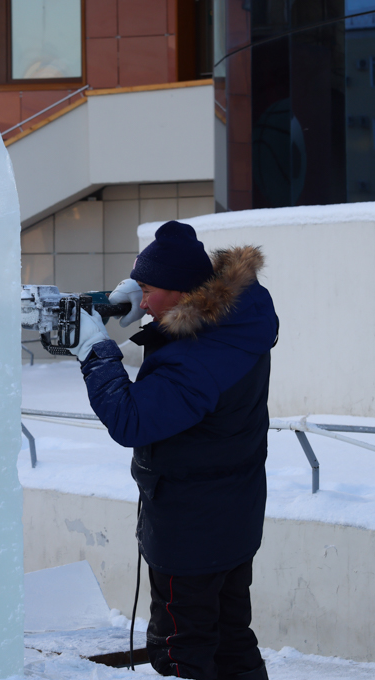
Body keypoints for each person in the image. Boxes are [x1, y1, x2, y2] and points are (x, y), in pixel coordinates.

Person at [70, 220, 278, 680]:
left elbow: (131, 419)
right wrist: (147, 300)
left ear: (185, 292)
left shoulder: (196, 360)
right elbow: (192, 336)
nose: (142, 301)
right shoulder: (236, 320)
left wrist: (94, 351)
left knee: (182, 650)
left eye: (148, 290)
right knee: (230, 636)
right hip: (233, 515)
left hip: (190, 528)